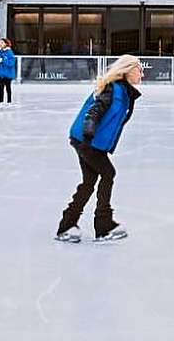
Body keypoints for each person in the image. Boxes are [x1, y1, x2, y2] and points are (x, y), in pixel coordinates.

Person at [55, 54, 143, 244]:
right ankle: (103, 224)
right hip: (87, 140)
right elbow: (95, 110)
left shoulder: (123, 91)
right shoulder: (113, 89)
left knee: (90, 181)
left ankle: (67, 224)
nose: (141, 73)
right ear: (127, 70)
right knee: (108, 173)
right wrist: (88, 132)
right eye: (138, 69)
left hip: (91, 141)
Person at [0, 38, 16, 104]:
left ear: (6, 44)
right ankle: (1, 101)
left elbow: (12, 63)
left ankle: (9, 101)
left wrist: (3, 60)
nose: (0, 44)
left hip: (8, 74)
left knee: (8, 87)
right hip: (0, 73)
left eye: (2, 43)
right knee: (1, 88)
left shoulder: (9, 52)